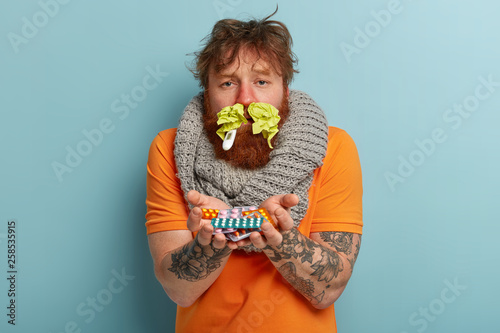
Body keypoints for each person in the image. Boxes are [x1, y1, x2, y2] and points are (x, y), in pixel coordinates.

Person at [145, 10, 363, 333]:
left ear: (285, 92)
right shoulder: (171, 149)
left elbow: (330, 289)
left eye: (262, 81)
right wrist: (213, 243)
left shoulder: (333, 148)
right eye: (227, 82)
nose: (245, 100)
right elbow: (178, 289)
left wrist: (281, 240)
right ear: (207, 96)